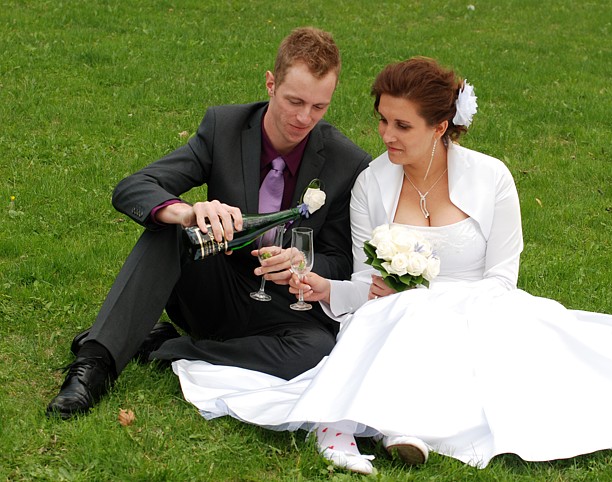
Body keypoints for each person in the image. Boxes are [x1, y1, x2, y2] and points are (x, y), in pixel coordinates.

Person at [172, 57, 612, 475]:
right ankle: (359, 427)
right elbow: (366, 284)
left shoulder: (492, 179)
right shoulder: (371, 183)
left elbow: (502, 278)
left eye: (402, 126)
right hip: (390, 313)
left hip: (484, 311)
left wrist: (432, 300)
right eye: (382, 120)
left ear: (440, 126)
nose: (385, 136)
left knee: (431, 315)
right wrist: (325, 289)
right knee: (398, 313)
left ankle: (392, 423)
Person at [46, 26, 372, 419]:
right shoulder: (225, 128)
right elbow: (134, 187)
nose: (305, 118)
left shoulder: (346, 161)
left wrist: (304, 263)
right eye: (295, 101)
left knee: (318, 350)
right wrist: (187, 212)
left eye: (319, 107)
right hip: (213, 288)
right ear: (271, 84)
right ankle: (95, 363)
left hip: (283, 310)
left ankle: (164, 347)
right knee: (171, 230)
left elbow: (341, 260)